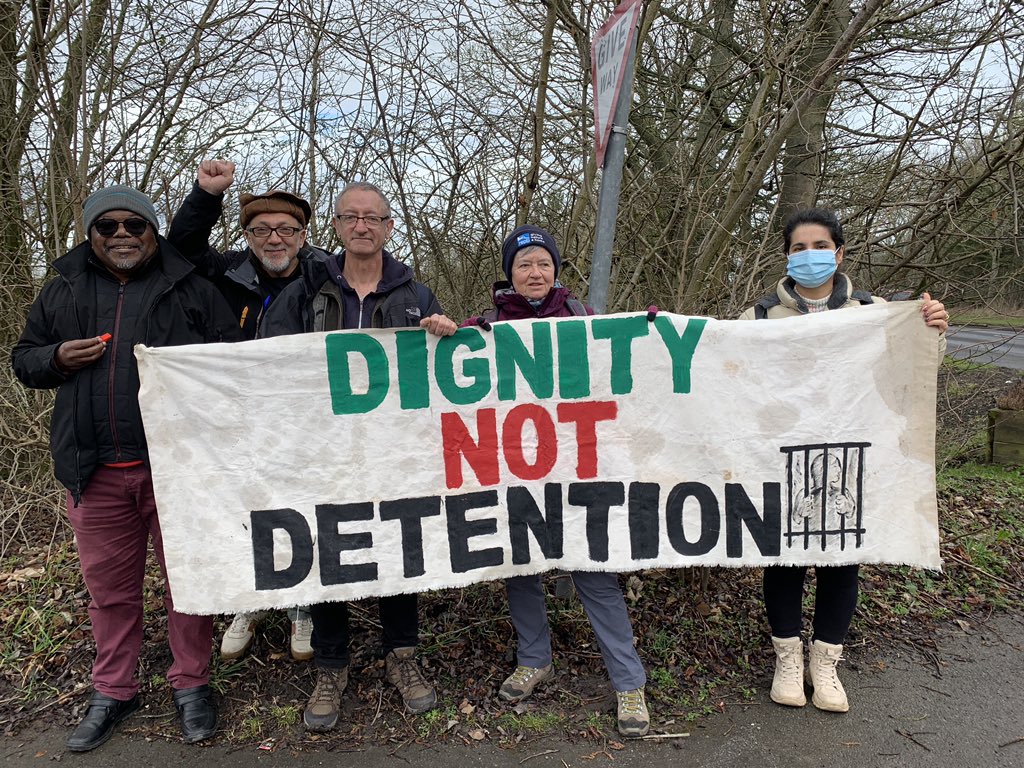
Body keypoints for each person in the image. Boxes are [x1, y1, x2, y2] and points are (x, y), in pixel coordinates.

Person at [10, 185, 242, 751]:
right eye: (107, 226)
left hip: (178, 472)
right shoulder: (62, 287)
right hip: (93, 470)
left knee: (186, 586)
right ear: (90, 233)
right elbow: (24, 358)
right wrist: (56, 357)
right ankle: (114, 688)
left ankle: (192, 684)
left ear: (152, 231)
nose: (121, 236)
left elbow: (233, 364)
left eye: (133, 226)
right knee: (109, 592)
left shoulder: (190, 286)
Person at [259, 180, 458, 732]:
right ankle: (330, 665)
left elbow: (447, 373)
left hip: (394, 455)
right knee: (329, 548)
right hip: (322, 454)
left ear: (388, 227)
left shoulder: (416, 295)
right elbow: (269, 363)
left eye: (373, 217)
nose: (362, 226)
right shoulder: (307, 293)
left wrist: (445, 333)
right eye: (351, 217)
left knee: (400, 546)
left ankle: (403, 656)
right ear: (338, 227)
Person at [739, 206, 948, 713]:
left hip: (853, 453)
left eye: (818, 246)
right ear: (786, 255)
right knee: (785, 557)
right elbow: (732, 379)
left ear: (839, 252)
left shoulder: (874, 310)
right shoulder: (760, 317)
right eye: (798, 247)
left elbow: (909, 375)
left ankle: (825, 663)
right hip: (783, 454)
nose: (809, 256)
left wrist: (932, 331)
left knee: (841, 558)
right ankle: (787, 657)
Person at [463, 224, 650, 738]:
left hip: (577, 470)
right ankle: (534, 659)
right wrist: (440, 333)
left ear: (556, 269)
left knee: (593, 571)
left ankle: (628, 681)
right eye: (524, 264)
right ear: (509, 274)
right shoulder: (485, 324)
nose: (535, 272)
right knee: (521, 569)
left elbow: (624, 366)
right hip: (513, 470)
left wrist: (652, 334)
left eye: (543, 263)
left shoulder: (584, 318)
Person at [167, 160, 326, 662]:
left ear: (302, 234)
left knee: (304, 508)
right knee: (245, 508)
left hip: (306, 420)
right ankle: (250, 600)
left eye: (285, 229)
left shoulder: (326, 273)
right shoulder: (225, 274)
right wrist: (206, 195)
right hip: (236, 418)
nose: (273, 239)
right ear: (248, 235)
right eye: (261, 229)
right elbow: (181, 249)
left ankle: (302, 604)